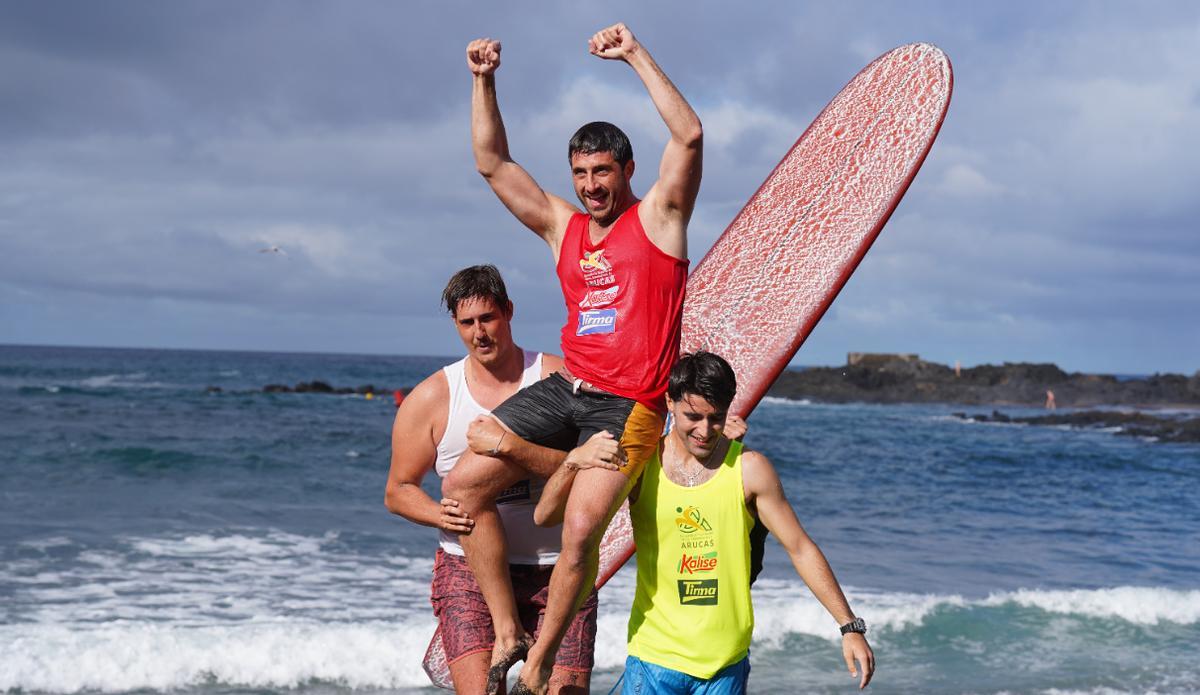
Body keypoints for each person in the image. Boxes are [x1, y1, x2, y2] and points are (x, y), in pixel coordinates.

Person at [444, 22, 704, 694]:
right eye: (581, 173)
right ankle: (508, 629)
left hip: (631, 404)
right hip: (570, 388)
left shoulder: (661, 219)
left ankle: (539, 663)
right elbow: (492, 163)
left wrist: (634, 55)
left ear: (627, 171)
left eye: (602, 171)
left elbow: (689, 136)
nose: (591, 185)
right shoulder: (564, 227)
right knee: (462, 487)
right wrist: (482, 79)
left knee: (582, 528)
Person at [537, 352, 876, 693]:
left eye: (716, 418)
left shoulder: (749, 470)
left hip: (725, 664)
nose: (704, 430)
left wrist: (849, 626)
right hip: (654, 658)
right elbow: (547, 516)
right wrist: (572, 462)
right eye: (693, 417)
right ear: (669, 403)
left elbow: (800, 548)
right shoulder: (641, 464)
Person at [385, 265, 617, 695]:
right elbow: (398, 490)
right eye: (467, 323)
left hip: (558, 570)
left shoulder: (556, 379)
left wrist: (513, 449)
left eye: (488, 318)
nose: (479, 333)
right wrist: (441, 514)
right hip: (468, 573)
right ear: (455, 324)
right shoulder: (433, 397)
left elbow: (598, 466)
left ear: (508, 311)